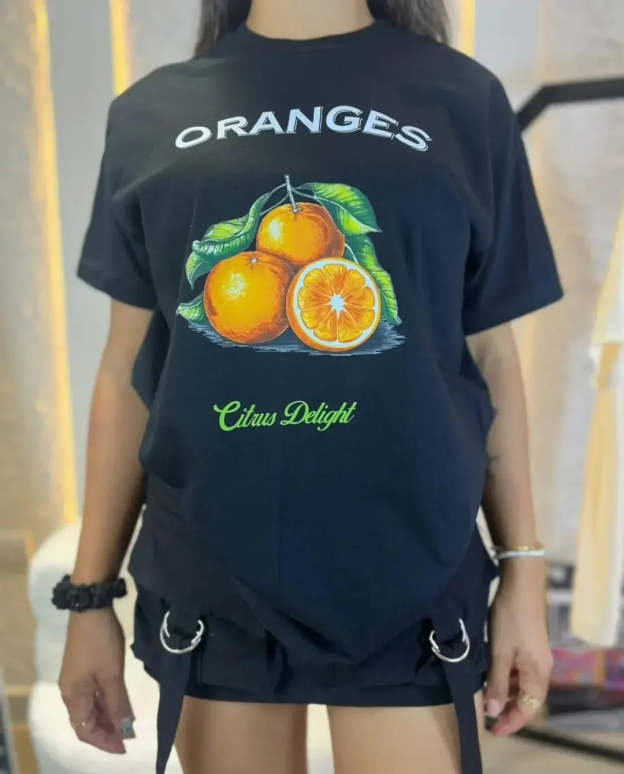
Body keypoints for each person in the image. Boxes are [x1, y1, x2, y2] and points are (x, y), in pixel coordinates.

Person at [54, 1, 564, 772]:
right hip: (213, 574)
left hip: (412, 566)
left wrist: (523, 571)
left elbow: (490, 355)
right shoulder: (151, 112)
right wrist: (89, 599)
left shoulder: (462, 98)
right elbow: (126, 371)